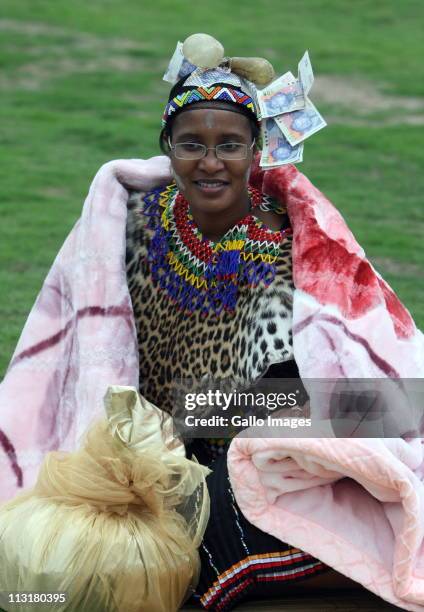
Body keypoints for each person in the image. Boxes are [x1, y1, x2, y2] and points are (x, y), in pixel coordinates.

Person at [124, 40, 358, 609]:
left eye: (229, 145)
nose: (210, 163)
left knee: (204, 537)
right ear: (167, 148)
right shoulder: (140, 219)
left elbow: (332, 399)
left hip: (260, 451)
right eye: (191, 145)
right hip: (149, 442)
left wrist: (189, 421)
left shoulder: (286, 246)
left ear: (257, 150)